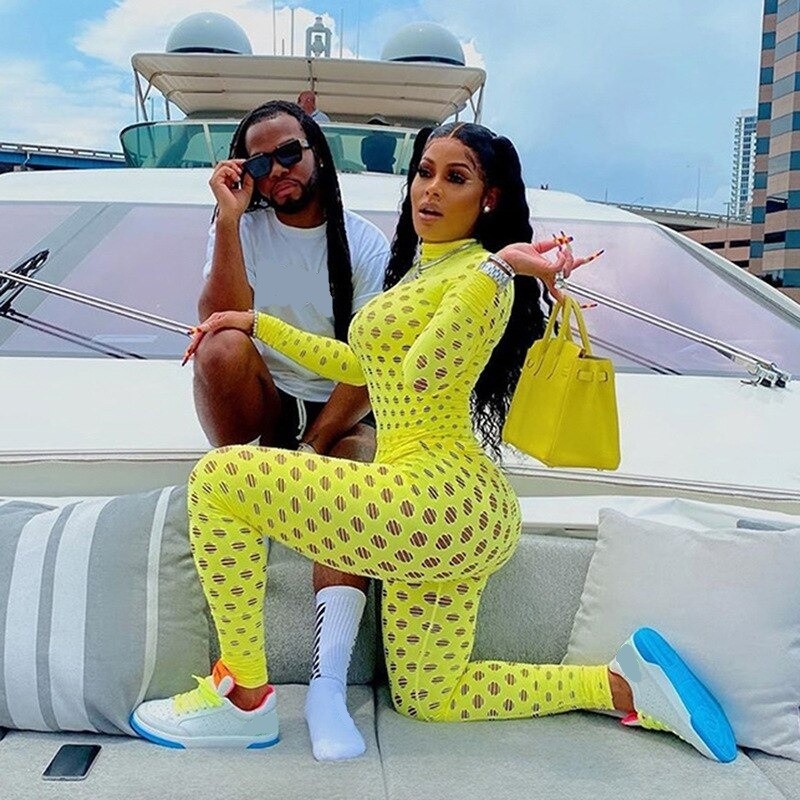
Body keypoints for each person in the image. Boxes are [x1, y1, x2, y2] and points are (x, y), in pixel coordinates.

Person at [132, 123, 737, 764]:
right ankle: (619, 686)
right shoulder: (427, 270)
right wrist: (256, 323)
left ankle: (243, 697)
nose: (431, 189)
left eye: (456, 178)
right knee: (430, 694)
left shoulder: (478, 273)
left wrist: (501, 268)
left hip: (436, 496)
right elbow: (364, 367)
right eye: (425, 172)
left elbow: (426, 372)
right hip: (438, 508)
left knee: (221, 480)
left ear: (489, 199)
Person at [195, 99, 389, 760]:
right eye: (258, 163)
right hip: (266, 404)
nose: (276, 170)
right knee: (222, 346)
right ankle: (245, 473)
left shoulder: (362, 241)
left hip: (341, 405)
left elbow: (369, 366)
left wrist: (314, 446)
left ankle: (327, 685)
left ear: (316, 153)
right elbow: (218, 319)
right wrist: (228, 219)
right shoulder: (243, 230)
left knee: (352, 474)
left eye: (288, 153)